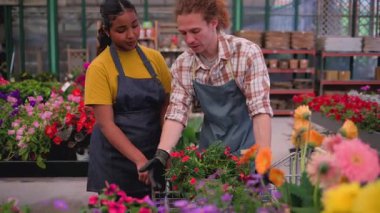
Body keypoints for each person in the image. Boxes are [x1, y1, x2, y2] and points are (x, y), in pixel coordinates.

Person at [140, 0, 273, 190]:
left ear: (213, 23)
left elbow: (260, 109)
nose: (189, 40)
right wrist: (162, 155)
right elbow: (177, 112)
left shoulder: (245, 53)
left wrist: (263, 160)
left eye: (195, 31)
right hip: (211, 150)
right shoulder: (184, 64)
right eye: (183, 33)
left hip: (248, 148)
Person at [85, 0, 171, 198]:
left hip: (153, 153)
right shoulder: (99, 68)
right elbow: (106, 124)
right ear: (107, 31)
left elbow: (166, 106)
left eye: (135, 25)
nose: (131, 34)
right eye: (121, 29)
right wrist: (139, 160)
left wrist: (165, 149)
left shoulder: (155, 59)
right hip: (114, 160)